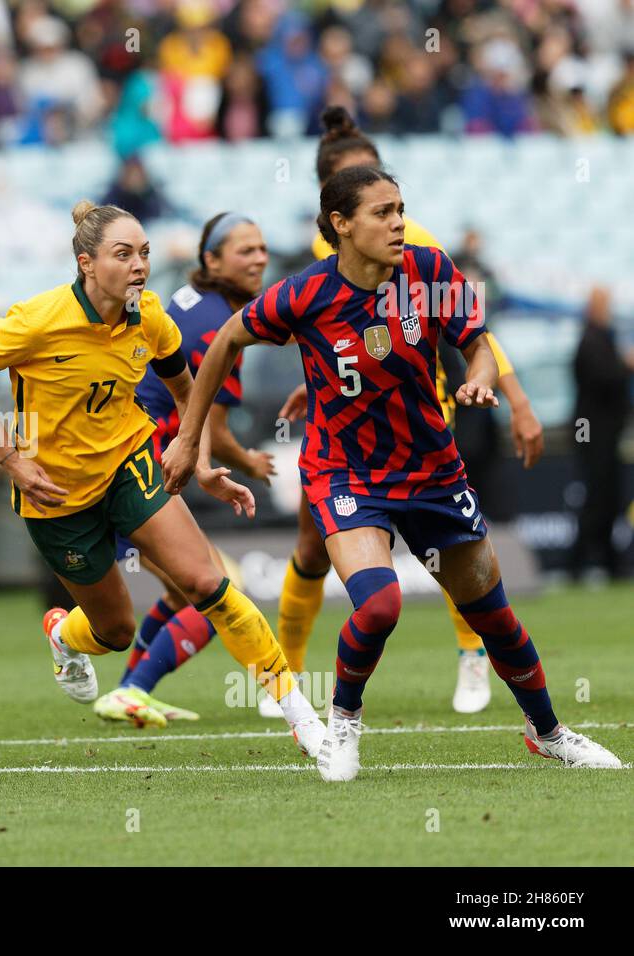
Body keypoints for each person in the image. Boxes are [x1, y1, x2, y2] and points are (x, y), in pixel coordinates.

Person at [165, 165, 622, 780]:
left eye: (400, 208)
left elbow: (478, 344)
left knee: (494, 617)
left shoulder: (431, 273)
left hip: (433, 471)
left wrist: (482, 378)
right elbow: (224, 340)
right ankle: (344, 725)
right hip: (346, 474)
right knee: (378, 606)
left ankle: (550, 732)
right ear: (342, 224)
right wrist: (192, 440)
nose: (398, 221)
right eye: (382, 212)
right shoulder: (304, 294)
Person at [0, 200, 327, 758]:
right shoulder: (35, 320)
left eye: (145, 253)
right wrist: (11, 459)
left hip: (131, 466)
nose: (139, 266)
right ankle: (63, 635)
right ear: (86, 263)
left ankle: (303, 718)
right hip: (56, 496)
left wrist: (195, 457)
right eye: (123, 254)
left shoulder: (150, 316)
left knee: (209, 584)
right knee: (113, 632)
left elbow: (184, 390)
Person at [278, 106, 544, 715]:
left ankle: (472, 656)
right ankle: (285, 675)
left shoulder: (415, 243)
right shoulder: (326, 251)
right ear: (334, 208)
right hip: (341, 425)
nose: (390, 214)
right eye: (358, 186)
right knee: (312, 548)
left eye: (387, 194)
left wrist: (517, 397)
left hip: (422, 414)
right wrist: (314, 385)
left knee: (450, 547)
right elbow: (327, 331)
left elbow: (469, 328)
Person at [94, 211, 278, 727]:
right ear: (211, 260)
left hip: (123, 453)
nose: (259, 258)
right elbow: (212, 426)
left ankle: (130, 692)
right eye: (245, 250)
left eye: (262, 248)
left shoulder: (190, 303)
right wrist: (247, 461)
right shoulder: (223, 325)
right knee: (216, 586)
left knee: (183, 590)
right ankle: (129, 684)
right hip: (140, 461)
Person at [571, 286, 633, 580]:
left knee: (607, 497)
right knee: (597, 496)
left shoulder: (601, 338)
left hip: (604, 433)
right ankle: (578, 561)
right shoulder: (590, 340)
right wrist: (625, 365)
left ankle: (609, 562)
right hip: (593, 433)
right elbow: (602, 379)